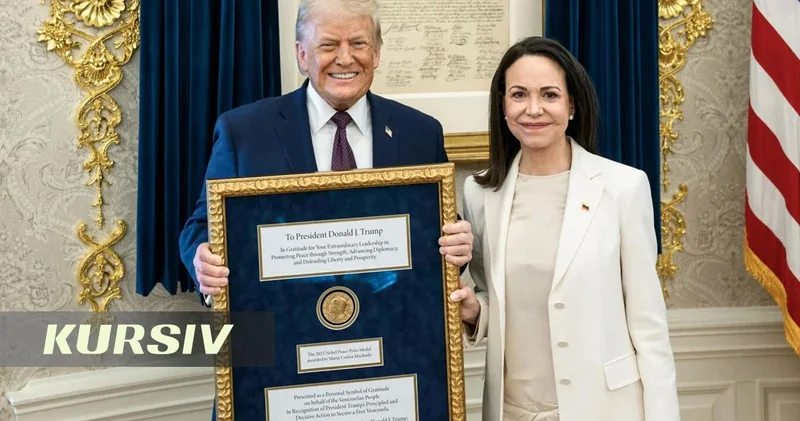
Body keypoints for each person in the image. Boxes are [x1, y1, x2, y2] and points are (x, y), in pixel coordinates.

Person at [179, 0, 474, 306]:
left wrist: (458, 247)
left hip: (393, 326)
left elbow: (438, 234)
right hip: (279, 328)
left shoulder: (420, 133)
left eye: (358, 43)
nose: (345, 58)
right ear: (302, 55)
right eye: (329, 45)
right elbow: (202, 226)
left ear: (376, 54)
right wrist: (203, 259)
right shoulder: (243, 133)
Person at [449, 36, 680, 421]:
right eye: (519, 94)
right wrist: (476, 311)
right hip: (511, 410)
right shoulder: (480, 193)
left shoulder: (623, 187)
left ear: (571, 104)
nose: (533, 109)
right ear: (503, 105)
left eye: (550, 95)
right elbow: (496, 295)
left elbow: (649, 325)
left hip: (605, 409)